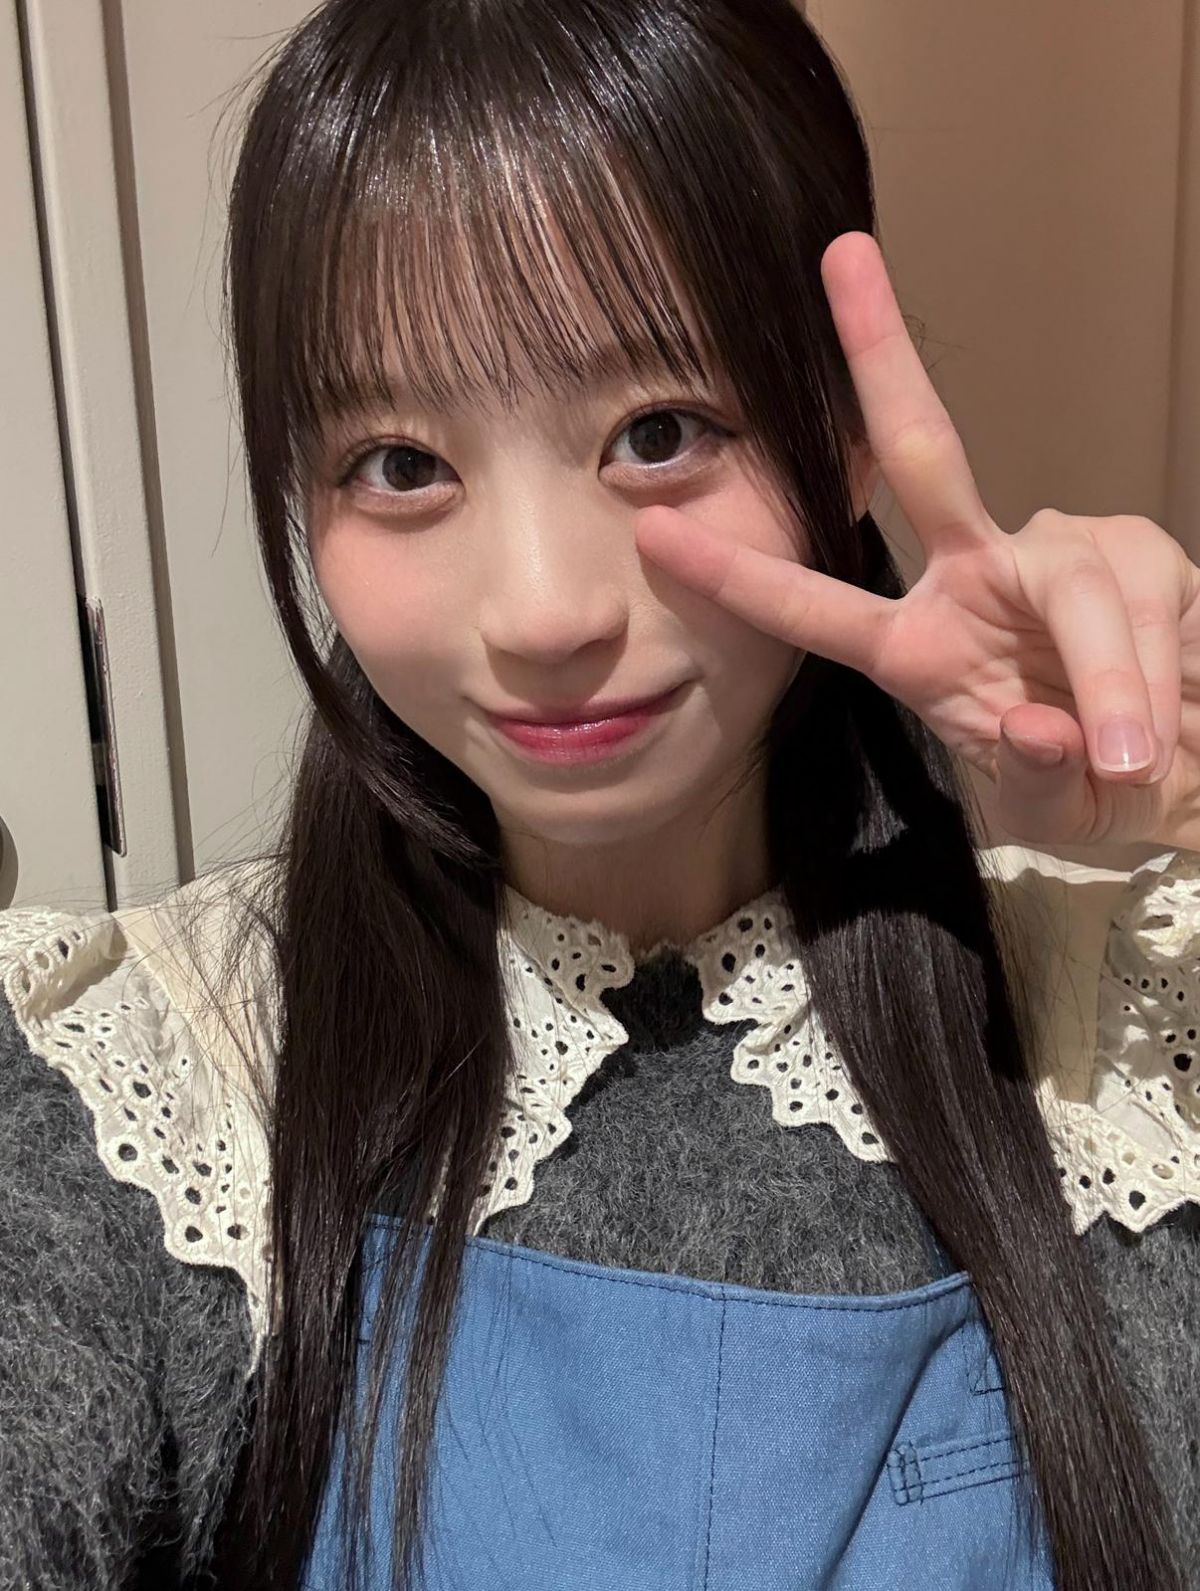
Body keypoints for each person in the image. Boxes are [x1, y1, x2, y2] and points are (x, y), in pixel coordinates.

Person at [1, 0, 1197, 1586]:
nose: (543, 611)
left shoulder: (1130, 1029)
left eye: (658, 431)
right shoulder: (171, 1075)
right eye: (401, 464)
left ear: (844, 439)